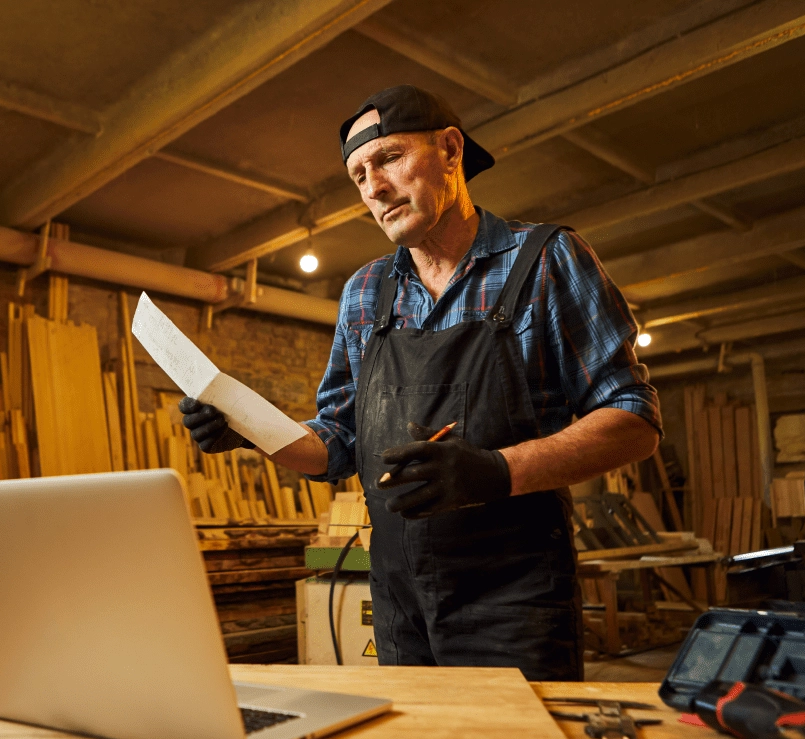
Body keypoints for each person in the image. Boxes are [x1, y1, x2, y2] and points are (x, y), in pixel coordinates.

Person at [180, 85, 661, 680]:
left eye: (388, 158)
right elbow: (337, 444)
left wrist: (495, 471)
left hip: (516, 595)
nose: (374, 188)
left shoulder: (546, 260)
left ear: (452, 151)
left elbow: (635, 421)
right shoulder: (365, 292)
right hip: (399, 600)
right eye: (359, 175)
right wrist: (247, 429)